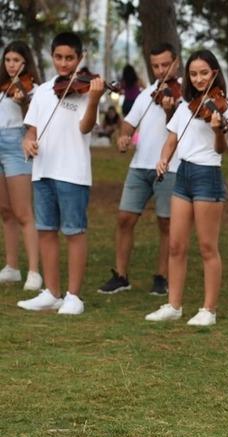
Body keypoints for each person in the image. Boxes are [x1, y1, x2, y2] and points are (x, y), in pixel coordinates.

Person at [18, 31, 106, 315]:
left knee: (74, 232)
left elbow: (85, 127)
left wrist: (94, 99)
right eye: (59, 57)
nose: (64, 63)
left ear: (79, 58)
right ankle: (52, 293)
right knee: (46, 231)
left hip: (73, 172)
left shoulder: (86, 90)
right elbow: (31, 130)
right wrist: (28, 142)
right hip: (42, 171)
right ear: (51, 56)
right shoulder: (43, 91)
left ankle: (74, 296)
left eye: (70, 58)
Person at [144, 49, 228, 327]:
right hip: (183, 174)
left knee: (207, 247)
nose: (198, 78)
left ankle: (209, 309)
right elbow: (171, 140)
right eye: (193, 74)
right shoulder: (184, 107)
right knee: (176, 245)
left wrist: (217, 130)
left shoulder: (223, 108)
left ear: (214, 73)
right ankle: (174, 305)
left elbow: (221, 148)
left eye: (204, 73)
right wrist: (163, 159)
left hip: (208, 174)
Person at [97, 42, 180, 296]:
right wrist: (124, 136)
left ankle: (162, 277)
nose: (161, 70)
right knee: (124, 219)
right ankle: (121, 276)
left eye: (165, 65)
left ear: (176, 63)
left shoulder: (185, 94)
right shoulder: (146, 94)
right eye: (156, 66)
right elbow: (129, 123)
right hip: (139, 166)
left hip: (169, 166)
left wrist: (170, 111)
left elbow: (178, 130)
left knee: (166, 223)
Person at [0, 41, 41, 291]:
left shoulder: (32, 90)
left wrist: (23, 102)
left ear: (25, 62)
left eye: (16, 60)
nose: (11, 65)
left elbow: (33, 123)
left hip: (16, 144)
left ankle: (34, 271)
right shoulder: (3, 86)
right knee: (5, 210)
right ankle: (12, 267)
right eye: (8, 60)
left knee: (23, 211)